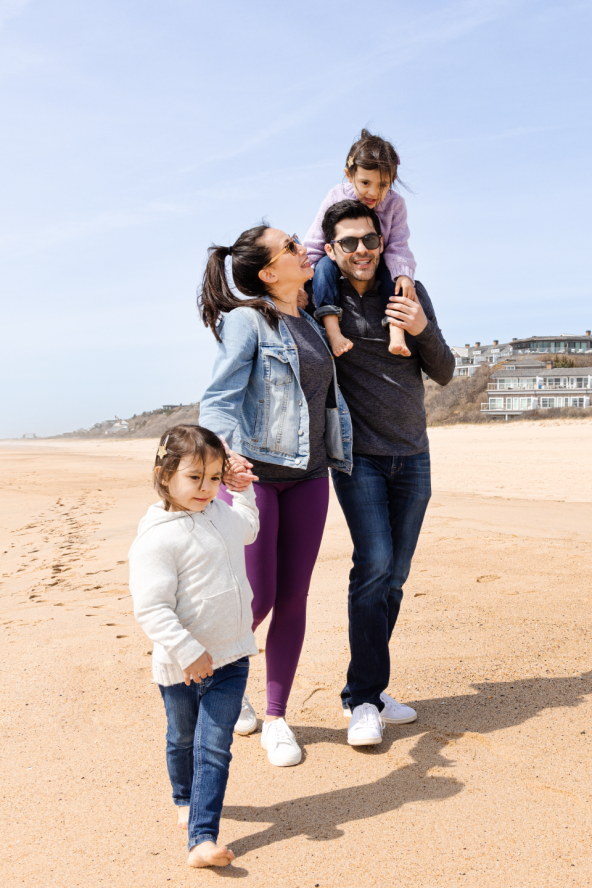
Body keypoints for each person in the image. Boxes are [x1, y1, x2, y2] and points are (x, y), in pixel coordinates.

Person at [197, 224, 352, 767]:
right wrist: (226, 456)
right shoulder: (246, 321)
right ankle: (216, 680)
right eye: (289, 247)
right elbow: (218, 399)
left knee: (294, 598)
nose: (301, 250)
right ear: (267, 273)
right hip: (254, 480)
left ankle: (278, 717)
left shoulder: (309, 320)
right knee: (256, 598)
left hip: (310, 477)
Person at [307, 198, 455, 746]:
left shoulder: (408, 291)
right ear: (332, 249)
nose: (363, 250)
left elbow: (443, 370)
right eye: (349, 243)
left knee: (394, 574)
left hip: (413, 453)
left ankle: (368, 687)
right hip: (357, 456)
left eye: (369, 239)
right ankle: (364, 699)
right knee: (372, 564)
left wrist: (419, 328)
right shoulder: (320, 300)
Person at [128, 425, 260, 868]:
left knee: (214, 745)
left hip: (232, 654)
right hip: (182, 665)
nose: (206, 488)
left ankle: (202, 839)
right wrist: (187, 651)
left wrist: (241, 493)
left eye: (215, 478)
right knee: (182, 737)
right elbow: (151, 608)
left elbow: (249, 531)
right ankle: (183, 796)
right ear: (165, 475)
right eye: (195, 478)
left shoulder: (220, 512)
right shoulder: (156, 538)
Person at [304, 128, 417, 359]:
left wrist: (404, 274)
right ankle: (333, 331)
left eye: (383, 185)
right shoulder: (336, 196)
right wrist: (300, 279)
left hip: (378, 262)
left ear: (392, 181)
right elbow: (315, 242)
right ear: (349, 175)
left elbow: (398, 245)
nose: (373, 192)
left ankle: (396, 333)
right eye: (365, 182)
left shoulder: (395, 204)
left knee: (393, 278)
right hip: (339, 262)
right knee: (324, 268)